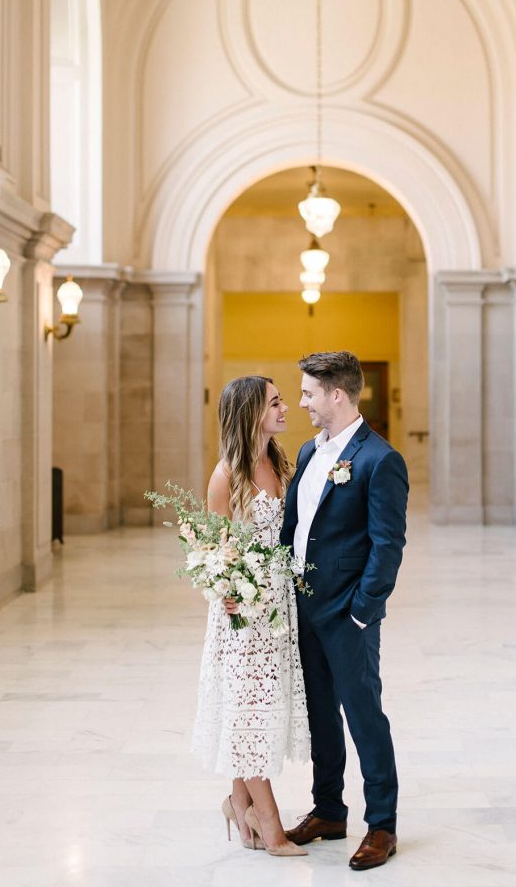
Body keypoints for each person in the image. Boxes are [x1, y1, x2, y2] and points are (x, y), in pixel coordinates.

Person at [281, 351, 408, 871]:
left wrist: (362, 610)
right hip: (304, 609)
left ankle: (382, 825)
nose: (303, 402)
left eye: (309, 393)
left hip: (348, 615)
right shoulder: (311, 454)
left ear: (337, 395)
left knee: (363, 716)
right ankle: (330, 810)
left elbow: (388, 544)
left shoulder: (380, 460)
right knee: (320, 717)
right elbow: (297, 527)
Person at [193, 375, 309, 857]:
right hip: (244, 621)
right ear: (250, 414)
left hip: (281, 610)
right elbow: (209, 551)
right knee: (247, 714)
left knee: (257, 712)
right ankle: (270, 824)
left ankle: (236, 806)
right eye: (275, 403)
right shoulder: (227, 476)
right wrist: (224, 593)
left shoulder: (282, 463)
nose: (285, 408)